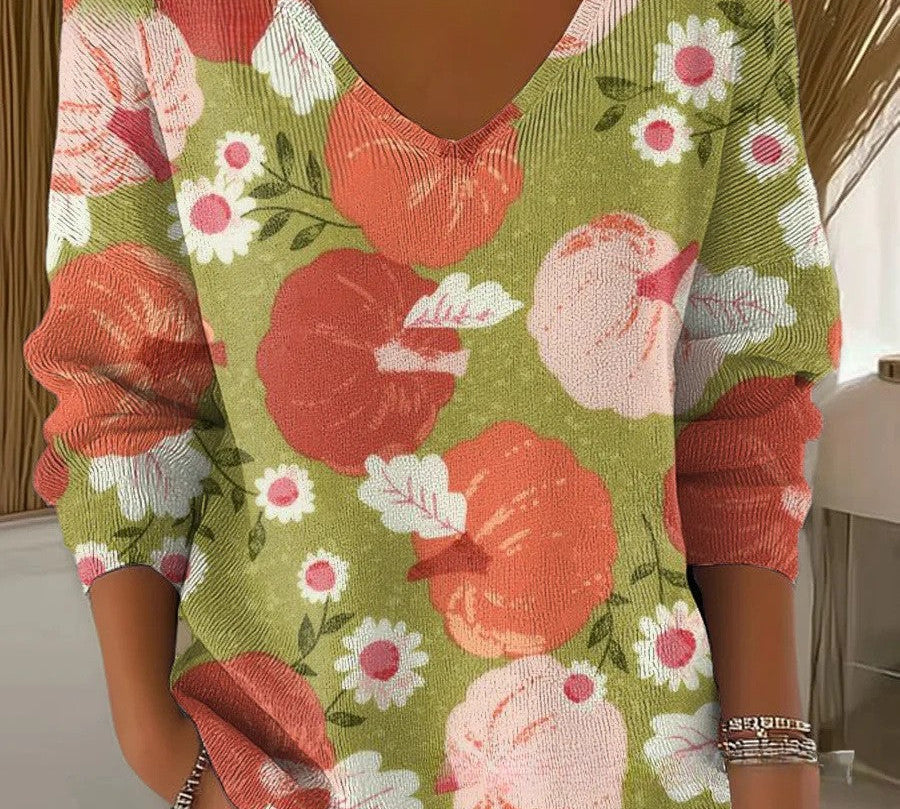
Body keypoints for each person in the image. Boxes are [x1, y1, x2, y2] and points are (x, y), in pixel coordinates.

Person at [23, 0, 841, 807]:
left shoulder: (717, 17)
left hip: (635, 763)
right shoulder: (142, 12)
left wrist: (774, 755)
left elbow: (745, 402)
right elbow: (122, 391)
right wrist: (157, 744)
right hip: (282, 771)